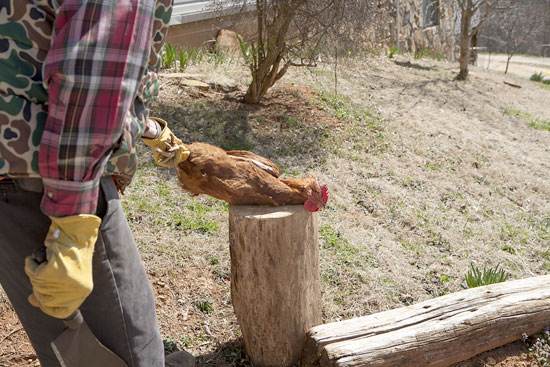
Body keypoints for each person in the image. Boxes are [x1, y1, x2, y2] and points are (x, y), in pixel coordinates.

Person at [0, 0, 193, 366]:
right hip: (50, 181)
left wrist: (146, 128)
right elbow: (94, 75)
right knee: (122, 357)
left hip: (16, 171)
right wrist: (71, 225)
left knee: (70, 351)